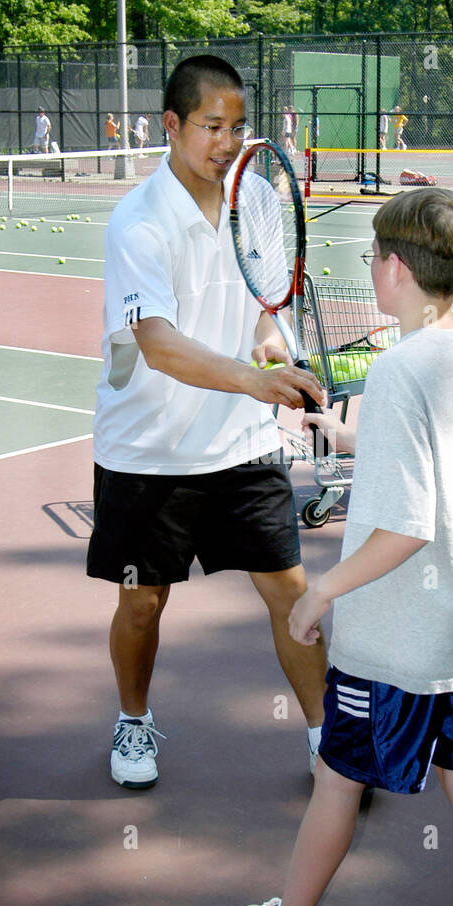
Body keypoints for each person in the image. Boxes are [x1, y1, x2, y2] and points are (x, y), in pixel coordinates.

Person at [233, 186, 453, 906]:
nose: (369, 268)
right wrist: (349, 441)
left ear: (396, 269)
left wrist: (323, 593)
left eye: (372, 257)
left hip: (397, 643)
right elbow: (441, 464)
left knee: (339, 780)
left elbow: (406, 526)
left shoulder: (401, 372)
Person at [87, 55, 328, 790]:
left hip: (242, 445)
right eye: (210, 126)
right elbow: (159, 346)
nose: (226, 141)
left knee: (292, 592)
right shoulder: (138, 222)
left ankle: (331, 742)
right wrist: (257, 380)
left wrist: (271, 351)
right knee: (142, 601)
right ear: (172, 125)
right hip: (147, 450)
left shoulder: (256, 199)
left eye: (237, 127)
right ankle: (133, 721)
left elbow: (262, 308)